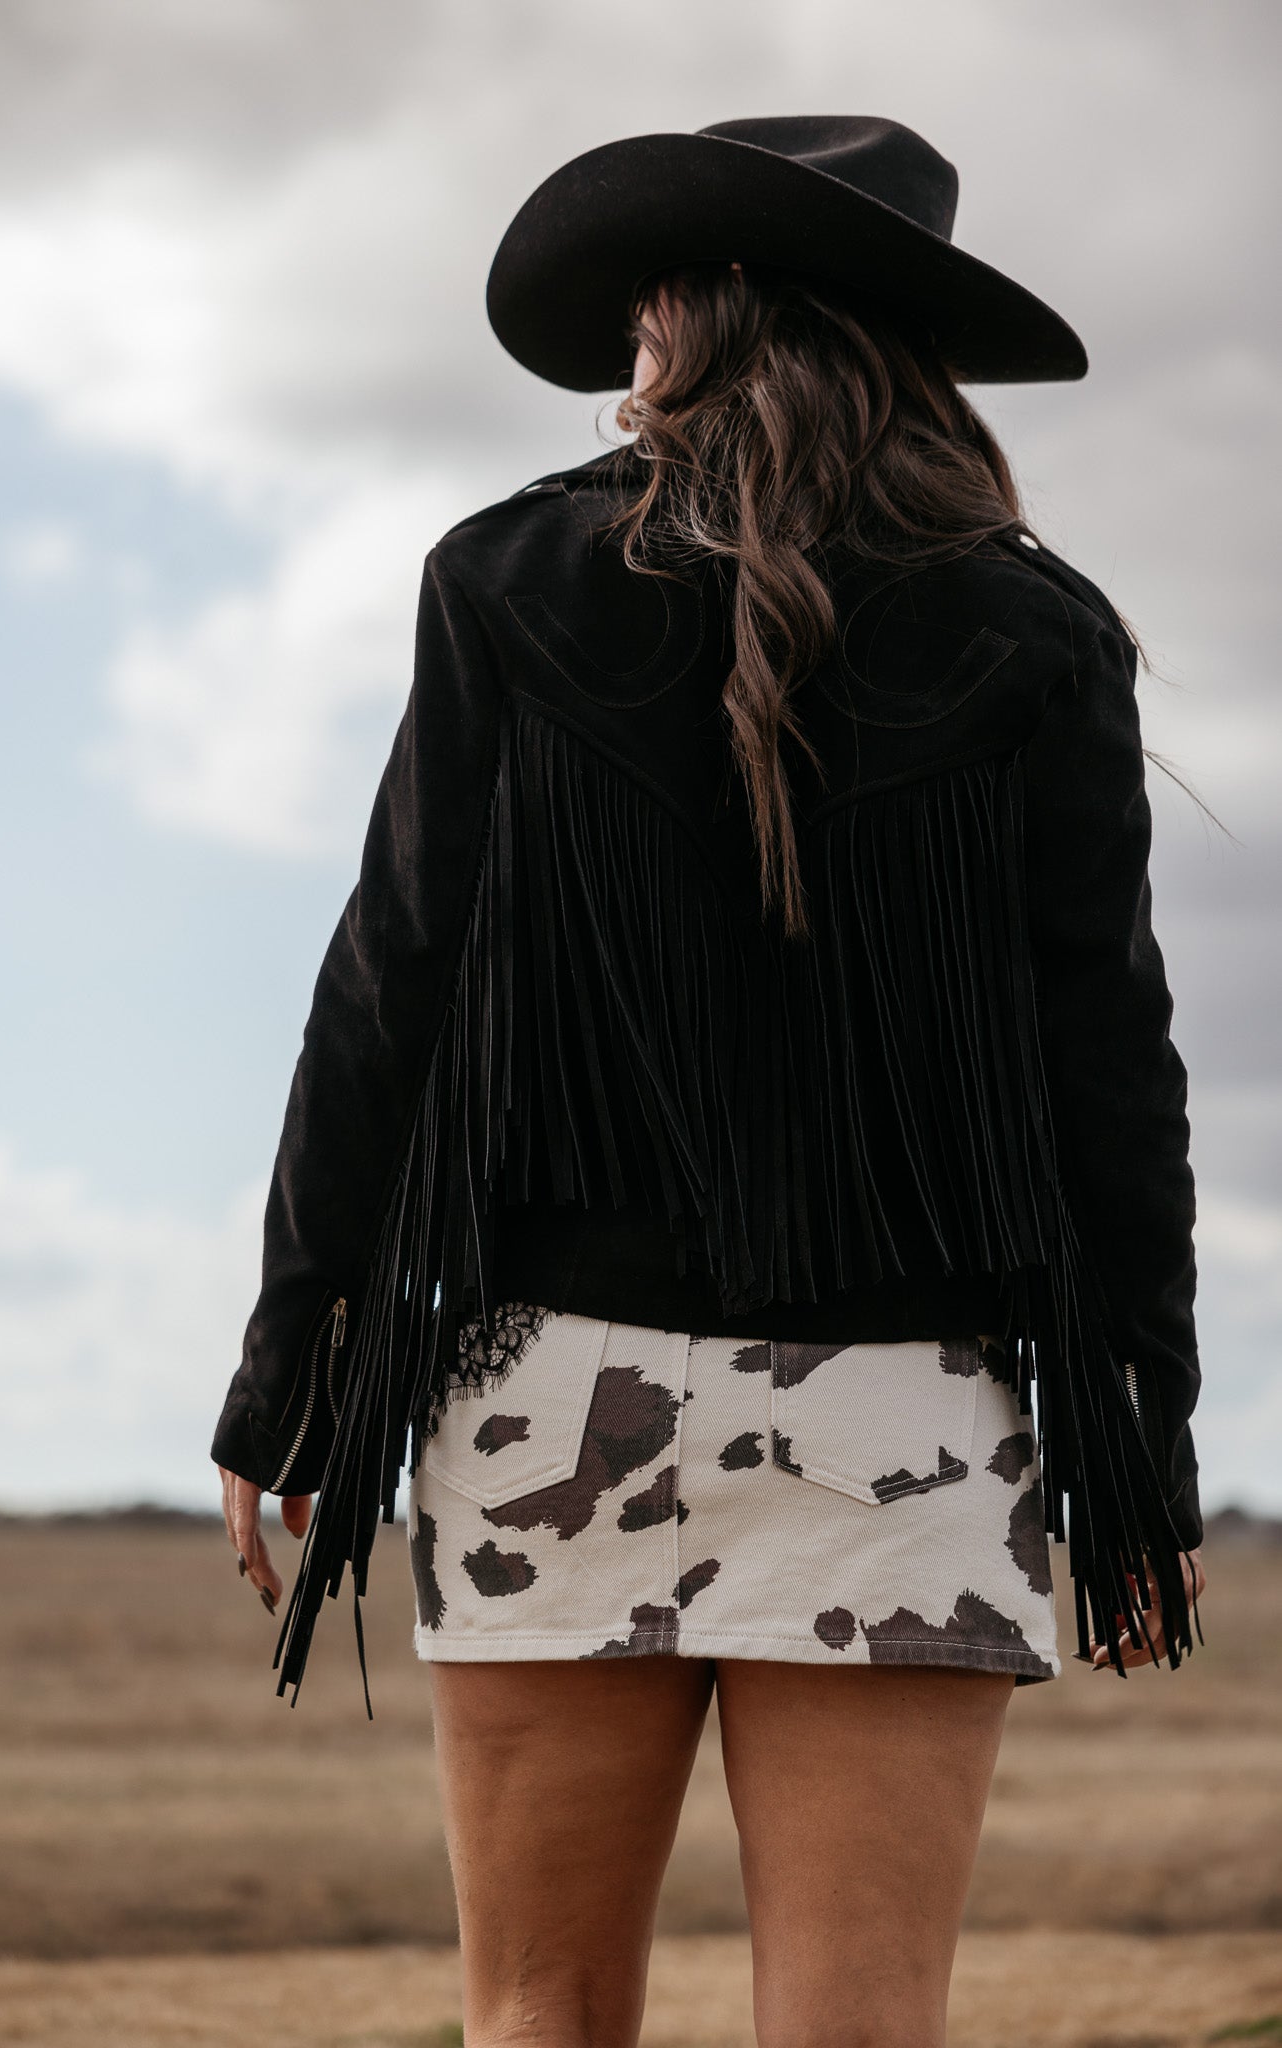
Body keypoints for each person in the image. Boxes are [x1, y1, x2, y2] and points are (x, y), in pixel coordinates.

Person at [213, 116, 1206, 2047]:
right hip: (907, 1423)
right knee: (857, 2030)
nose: (623, 349)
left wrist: (291, 1362)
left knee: (536, 2020)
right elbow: (1112, 1063)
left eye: (643, 303)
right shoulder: (1040, 628)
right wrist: (1138, 1443)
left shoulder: (504, 578)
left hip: (548, 1398)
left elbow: (387, 990)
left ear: (696, 308)